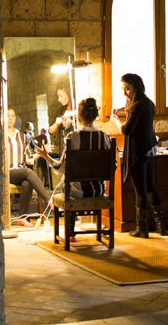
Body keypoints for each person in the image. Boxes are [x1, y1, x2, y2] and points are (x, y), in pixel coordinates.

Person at [40, 97, 110, 235]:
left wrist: (45, 156)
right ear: (96, 115)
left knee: (66, 181)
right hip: (99, 191)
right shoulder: (105, 137)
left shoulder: (73, 137)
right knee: (70, 180)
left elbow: (61, 169)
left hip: (77, 193)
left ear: (78, 115)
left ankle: (70, 227)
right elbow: (112, 166)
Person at [111, 73, 167, 238]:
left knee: (140, 191)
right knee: (150, 187)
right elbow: (136, 114)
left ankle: (142, 229)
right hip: (149, 150)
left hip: (137, 153)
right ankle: (161, 226)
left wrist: (115, 120)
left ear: (136, 86)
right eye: (123, 89)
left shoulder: (137, 106)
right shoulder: (148, 103)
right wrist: (123, 109)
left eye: (127, 88)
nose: (125, 93)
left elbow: (126, 130)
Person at [7, 108, 51, 217]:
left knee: (27, 183)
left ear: (15, 118)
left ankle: (22, 217)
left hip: (20, 172)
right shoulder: (0, 136)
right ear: (2, 118)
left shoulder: (22, 136)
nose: (10, 118)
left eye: (12, 116)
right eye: (7, 116)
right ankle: (49, 199)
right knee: (27, 172)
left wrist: (42, 153)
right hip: (7, 172)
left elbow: (29, 160)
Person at [48, 86, 73, 158]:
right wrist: (56, 124)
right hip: (64, 148)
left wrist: (73, 113)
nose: (59, 99)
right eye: (58, 97)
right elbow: (50, 131)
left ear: (69, 95)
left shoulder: (77, 107)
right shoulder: (60, 110)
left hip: (76, 146)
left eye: (61, 96)